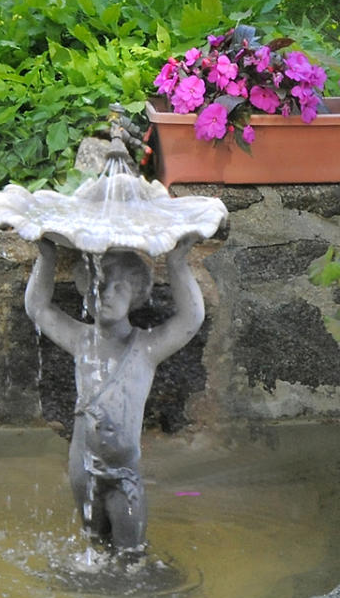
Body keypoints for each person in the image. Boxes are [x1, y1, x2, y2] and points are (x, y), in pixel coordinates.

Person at [23, 238, 206, 557]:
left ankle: (130, 595)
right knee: (94, 546)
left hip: (123, 475)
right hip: (83, 470)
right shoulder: (82, 341)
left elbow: (191, 320)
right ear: (87, 290)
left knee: (131, 551)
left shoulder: (146, 348)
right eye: (99, 285)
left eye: (118, 288)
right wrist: (46, 256)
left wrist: (177, 263)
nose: (106, 295)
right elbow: (38, 308)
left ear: (136, 293)